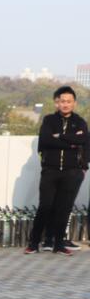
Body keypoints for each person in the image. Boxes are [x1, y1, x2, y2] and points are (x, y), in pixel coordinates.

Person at [25, 86, 89, 255]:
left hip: (73, 172)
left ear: (74, 103)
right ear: (56, 103)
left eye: (69, 101)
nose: (65, 104)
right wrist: (72, 143)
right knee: (45, 206)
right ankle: (33, 243)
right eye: (62, 101)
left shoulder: (80, 122)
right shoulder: (48, 121)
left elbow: (83, 141)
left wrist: (59, 136)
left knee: (64, 208)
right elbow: (46, 141)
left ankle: (58, 244)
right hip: (50, 171)